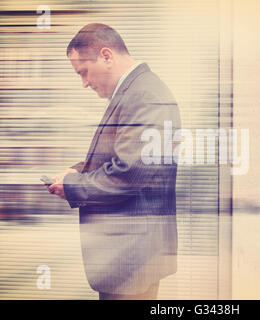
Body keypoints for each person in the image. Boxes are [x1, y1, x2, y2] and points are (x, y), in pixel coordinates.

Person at [47, 23, 181, 300]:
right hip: (129, 256)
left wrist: (73, 186)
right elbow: (123, 156)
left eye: (83, 72)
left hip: (131, 260)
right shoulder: (136, 91)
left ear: (106, 56)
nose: (84, 83)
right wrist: (78, 169)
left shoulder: (144, 96)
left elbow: (128, 173)